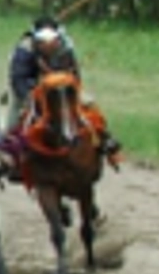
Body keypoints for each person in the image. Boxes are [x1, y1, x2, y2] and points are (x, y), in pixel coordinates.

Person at [7, 16, 122, 164]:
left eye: (52, 40)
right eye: (43, 41)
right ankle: (10, 153)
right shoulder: (25, 48)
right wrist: (30, 97)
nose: (48, 45)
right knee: (15, 118)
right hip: (32, 89)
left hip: (63, 90)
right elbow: (18, 79)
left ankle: (104, 140)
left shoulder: (66, 48)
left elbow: (74, 75)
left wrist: (70, 91)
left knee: (90, 104)